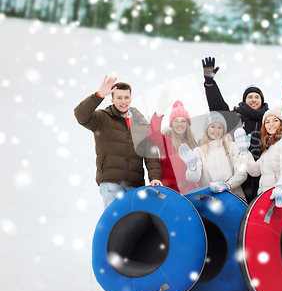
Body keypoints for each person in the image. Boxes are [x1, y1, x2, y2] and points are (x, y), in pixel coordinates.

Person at [74, 75, 162, 208]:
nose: (123, 101)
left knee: (134, 224)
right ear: (112, 99)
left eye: (126, 97)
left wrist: (154, 177)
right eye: (119, 97)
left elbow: (150, 154)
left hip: (135, 184)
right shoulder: (103, 118)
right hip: (111, 182)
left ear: (131, 99)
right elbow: (80, 115)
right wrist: (99, 95)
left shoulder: (141, 124)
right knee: (116, 222)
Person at [202, 56, 268, 202]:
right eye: (250, 96)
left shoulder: (268, 120)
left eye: (257, 97)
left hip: (262, 175)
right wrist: (209, 83)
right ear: (245, 100)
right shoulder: (235, 117)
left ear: (261, 100)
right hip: (238, 174)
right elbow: (217, 106)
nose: (253, 99)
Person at [235, 107, 282, 208]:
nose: (271, 124)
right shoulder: (271, 148)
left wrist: (281, 187)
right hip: (264, 197)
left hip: (276, 196)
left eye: (275, 120)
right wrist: (244, 153)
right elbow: (254, 171)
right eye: (267, 122)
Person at [178, 111, 247, 201]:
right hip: (212, 199)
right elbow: (194, 178)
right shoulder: (199, 151)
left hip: (235, 196)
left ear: (224, 129)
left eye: (220, 127)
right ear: (207, 129)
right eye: (212, 126)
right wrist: (192, 168)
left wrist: (228, 185)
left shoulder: (233, 146)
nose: (216, 130)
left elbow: (242, 173)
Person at [149, 90, 199, 194]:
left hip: (191, 192)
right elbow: (153, 134)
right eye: (176, 121)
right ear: (171, 124)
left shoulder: (193, 144)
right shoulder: (166, 141)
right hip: (171, 192)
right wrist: (158, 114)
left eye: (183, 121)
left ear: (188, 124)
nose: (179, 124)